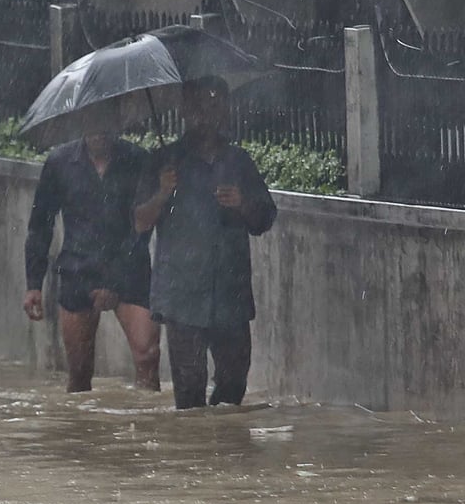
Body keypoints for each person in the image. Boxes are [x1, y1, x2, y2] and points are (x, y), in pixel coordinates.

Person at [134, 76, 277, 409]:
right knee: (189, 392)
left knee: (233, 383)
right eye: (199, 106)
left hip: (231, 295)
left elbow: (265, 218)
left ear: (225, 111)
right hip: (182, 298)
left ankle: (226, 456)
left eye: (215, 105)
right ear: (185, 111)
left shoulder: (239, 162)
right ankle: (195, 457)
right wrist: (163, 192)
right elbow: (140, 221)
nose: (207, 114)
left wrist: (243, 203)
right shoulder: (163, 162)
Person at [23, 132, 161, 393]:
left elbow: (142, 229)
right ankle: (81, 431)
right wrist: (33, 284)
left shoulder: (138, 160)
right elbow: (40, 225)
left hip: (129, 271)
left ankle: (147, 427)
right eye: (92, 121)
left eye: (105, 121)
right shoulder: (59, 162)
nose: (98, 130)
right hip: (79, 270)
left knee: (148, 356)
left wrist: (114, 282)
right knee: (78, 370)